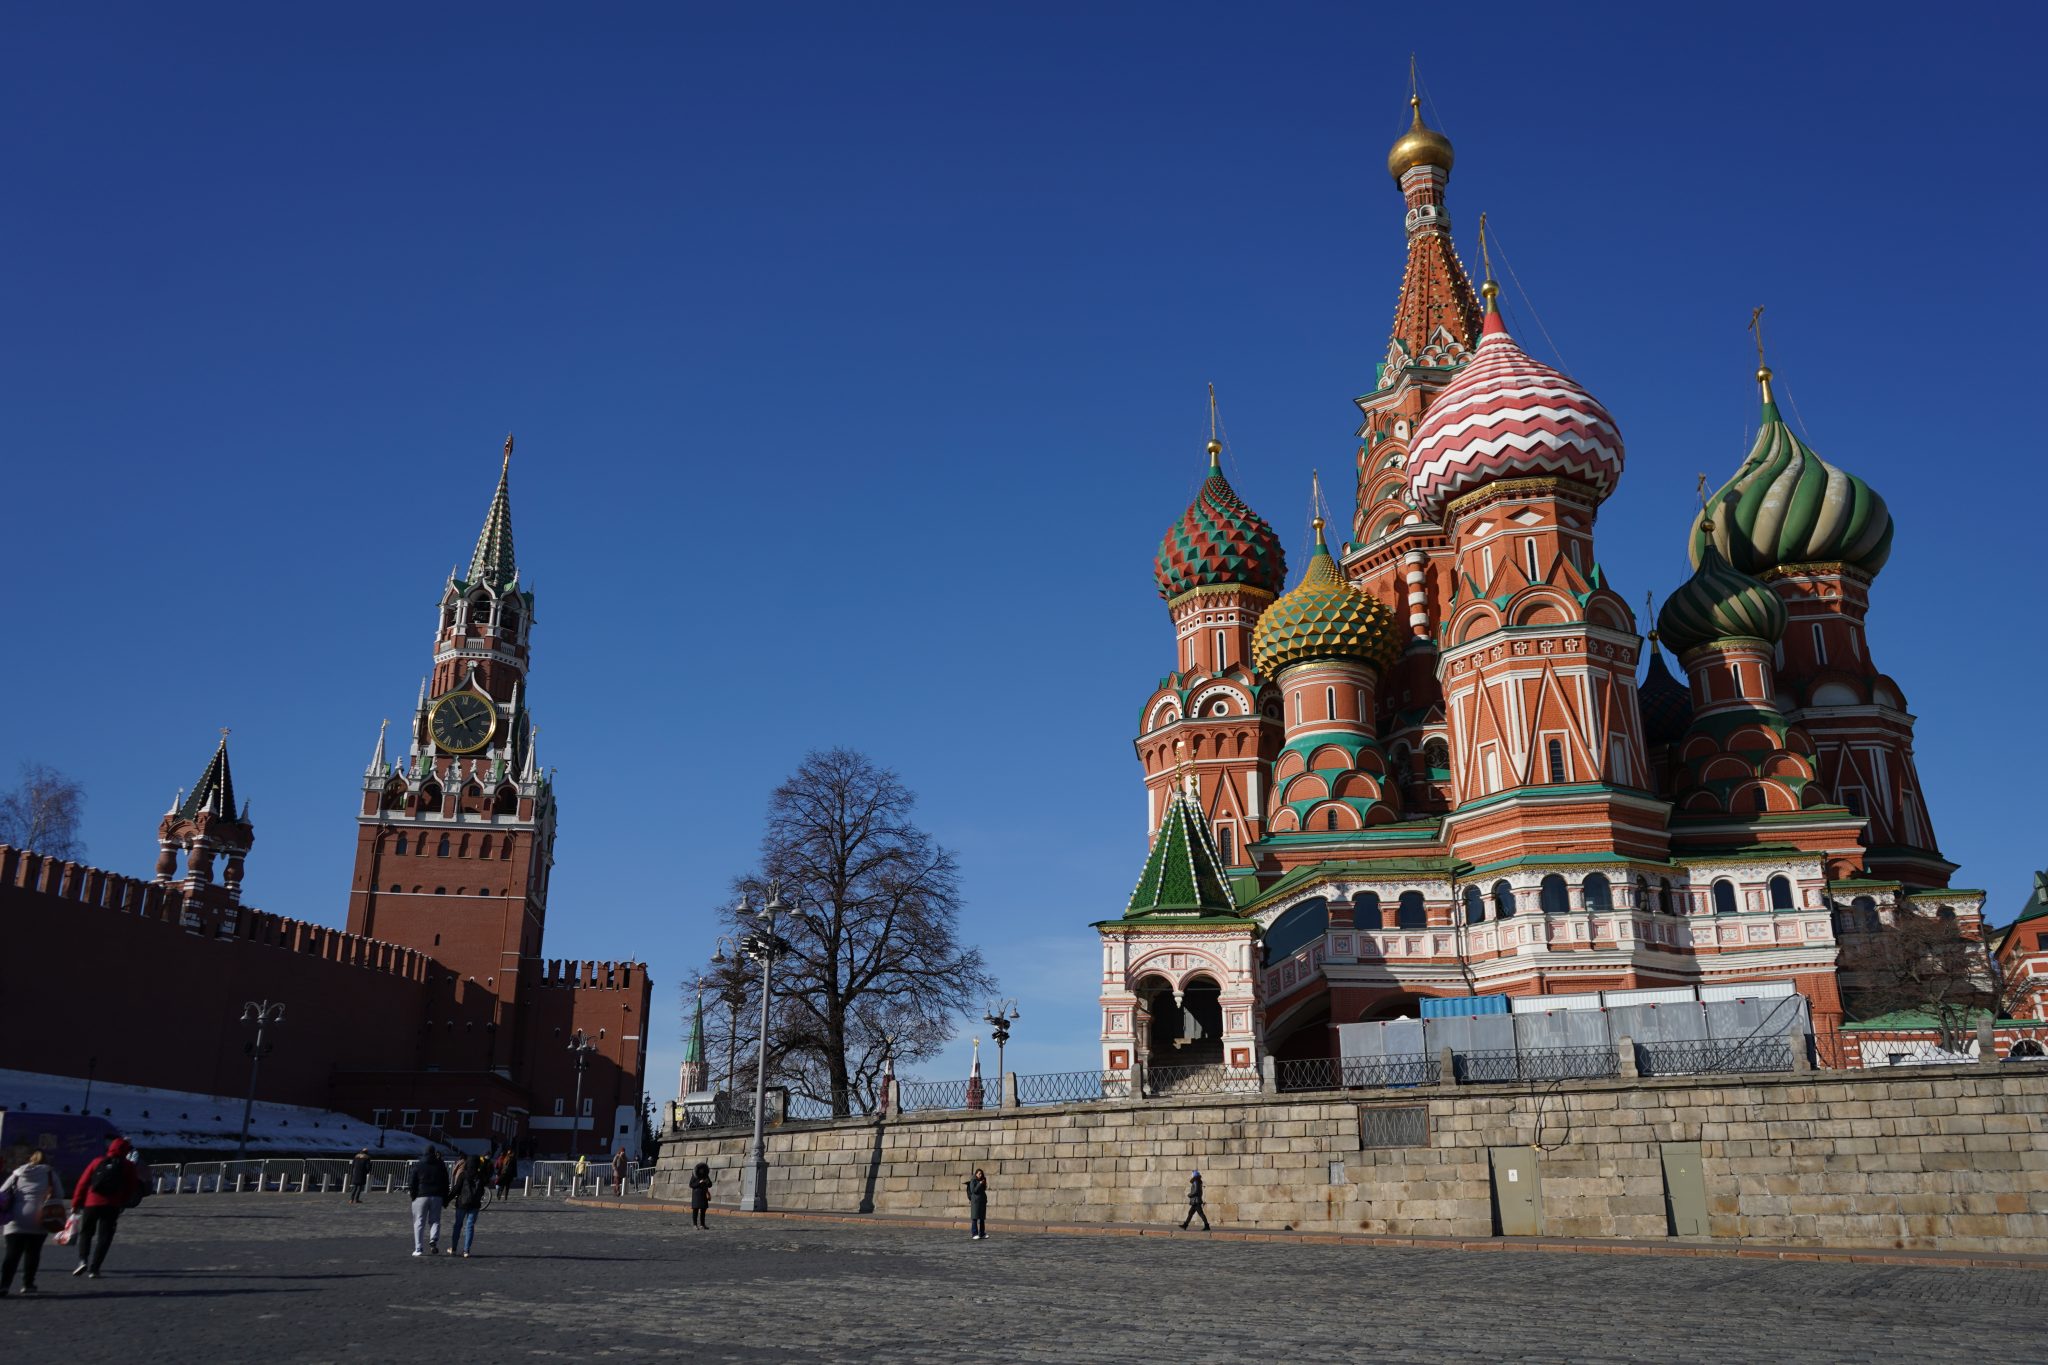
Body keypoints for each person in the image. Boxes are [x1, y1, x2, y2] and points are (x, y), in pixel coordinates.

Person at [70, 1137, 141, 1279]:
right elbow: (131, 1187)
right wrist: (122, 1202)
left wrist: (76, 1203)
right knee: (105, 1237)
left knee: (86, 1233)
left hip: (92, 1202)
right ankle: (95, 1268)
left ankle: (83, 1259)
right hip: (112, 1205)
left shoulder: (97, 1162)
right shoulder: (128, 1166)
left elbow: (82, 1183)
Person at [2, 1150, 64, 1295]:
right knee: (33, 1252)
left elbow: (3, 1191)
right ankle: (28, 1284)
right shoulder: (50, 1173)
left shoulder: (17, 1173)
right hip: (40, 1217)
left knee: (12, 1253)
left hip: (16, 1218)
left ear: (30, 1159)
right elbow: (60, 1193)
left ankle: (4, 1285)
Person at [407, 1148, 449, 1257]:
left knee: (419, 1222)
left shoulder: (419, 1165)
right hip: (436, 1196)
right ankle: (433, 1238)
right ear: (434, 1153)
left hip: (420, 1195)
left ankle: (418, 1248)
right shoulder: (440, 1165)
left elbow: (412, 1181)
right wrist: (445, 1198)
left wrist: (413, 1195)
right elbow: (445, 1182)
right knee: (435, 1220)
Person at [448, 1153, 489, 1258]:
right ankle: (466, 1251)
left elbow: (456, 1189)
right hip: (475, 1204)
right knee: (470, 1226)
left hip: (462, 1203)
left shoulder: (463, 1174)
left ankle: (453, 1248)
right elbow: (485, 1184)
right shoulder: (480, 1176)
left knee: (458, 1225)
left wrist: (447, 1199)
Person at [965, 1168, 988, 1241]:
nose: (980, 1175)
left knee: (982, 1219)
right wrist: (979, 1184)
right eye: (979, 1174)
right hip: (975, 1202)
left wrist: (983, 1184)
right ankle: (974, 1234)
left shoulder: (981, 1181)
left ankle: (982, 1233)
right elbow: (974, 1190)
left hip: (981, 1202)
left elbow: (983, 1191)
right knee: (975, 1218)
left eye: (981, 1174)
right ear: (976, 1174)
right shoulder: (973, 1181)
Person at [687, 1162, 712, 1229]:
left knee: (703, 1210)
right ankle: (695, 1225)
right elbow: (691, 1185)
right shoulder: (695, 1175)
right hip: (696, 1195)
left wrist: (707, 1182)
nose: (702, 1171)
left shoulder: (706, 1175)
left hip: (704, 1194)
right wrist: (699, 1182)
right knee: (695, 1210)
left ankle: (702, 1225)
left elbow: (710, 1185)